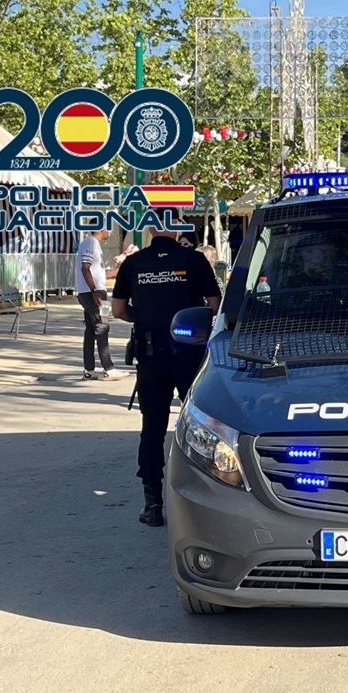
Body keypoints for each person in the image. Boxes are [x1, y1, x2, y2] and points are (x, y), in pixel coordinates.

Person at [112, 209, 222, 527]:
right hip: (189, 355)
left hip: (151, 356)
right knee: (204, 428)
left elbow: (119, 309)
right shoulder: (194, 260)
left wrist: (145, 318)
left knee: (153, 428)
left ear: (150, 230)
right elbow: (215, 305)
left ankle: (153, 504)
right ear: (177, 230)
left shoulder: (134, 263)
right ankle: (206, 501)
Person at [74, 228, 129, 381]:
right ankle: (109, 368)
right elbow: (85, 268)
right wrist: (94, 290)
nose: (110, 232)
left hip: (95, 291)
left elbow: (99, 273)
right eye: (108, 228)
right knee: (102, 326)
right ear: (100, 229)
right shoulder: (91, 243)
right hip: (94, 293)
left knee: (92, 330)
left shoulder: (93, 244)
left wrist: (121, 267)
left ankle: (89, 369)